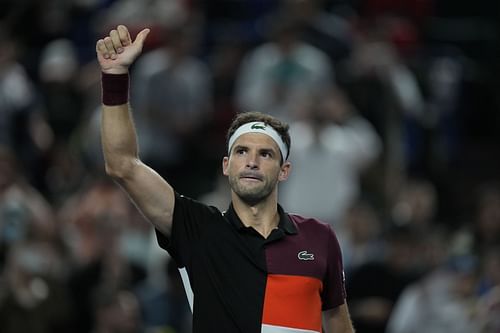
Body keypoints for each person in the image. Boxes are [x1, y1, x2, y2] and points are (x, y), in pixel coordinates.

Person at [96, 25, 355, 333]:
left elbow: (336, 320)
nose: (252, 162)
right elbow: (122, 165)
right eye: (242, 152)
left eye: (266, 154)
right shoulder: (198, 229)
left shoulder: (319, 237)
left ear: (284, 171)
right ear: (226, 166)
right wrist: (115, 77)